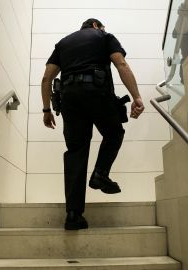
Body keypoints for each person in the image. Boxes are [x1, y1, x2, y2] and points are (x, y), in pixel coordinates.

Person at [41, 18, 144, 230]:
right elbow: (120, 63)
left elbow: (46, 79)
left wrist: (46, 110)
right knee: (114, 132)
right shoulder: (104, 36)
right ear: (97, 26)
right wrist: (137, 97)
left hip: (69, 98)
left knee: (76, 151)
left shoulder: (63, 43)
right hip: (96, 91)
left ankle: (73, 215)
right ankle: (100, 173)